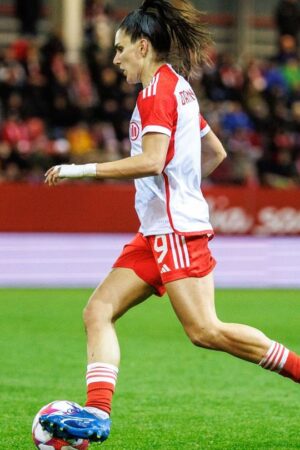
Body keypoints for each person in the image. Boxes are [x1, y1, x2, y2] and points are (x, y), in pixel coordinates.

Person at [40, 0, 300, 444]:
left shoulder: (156, 93)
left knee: (205, 331)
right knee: (98, 311)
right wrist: (184, 189)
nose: (116, 58)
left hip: (174, 231)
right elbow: (214, 153)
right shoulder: (177, 87)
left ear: (143, 47)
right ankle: (98, 414)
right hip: (159, 230)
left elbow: (152, 160)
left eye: (121, 49)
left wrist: (79, 170)